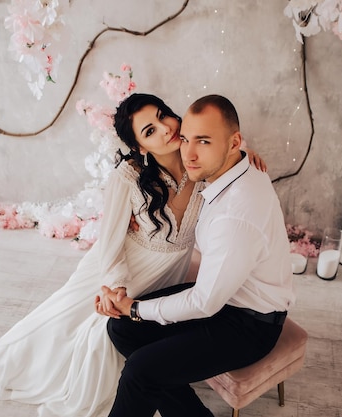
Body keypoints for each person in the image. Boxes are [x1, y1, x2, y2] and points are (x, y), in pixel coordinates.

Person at [0, 93, 266, 417]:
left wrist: (243, 154)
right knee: (78, 332)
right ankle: (10, 362)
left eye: (164, 116)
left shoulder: (202, 165)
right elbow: (109, 242)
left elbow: (223, 154)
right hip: (122, 265)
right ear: (141, 148)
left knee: (119, 336)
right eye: (149, 131)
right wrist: (116, 285)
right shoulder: (129, 177)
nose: (165, 129)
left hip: (167, 272)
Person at [100, 94, 296, 417]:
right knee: (121, 329)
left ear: (234, 142)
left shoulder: (234, 215)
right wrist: (130, 309)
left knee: (139, 371)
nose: (188, 153)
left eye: (202, 142)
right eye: (187, 139)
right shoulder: (232, 166)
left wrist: (135, 307)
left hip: (249, 323)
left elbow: (204, 302)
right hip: (225, 293)